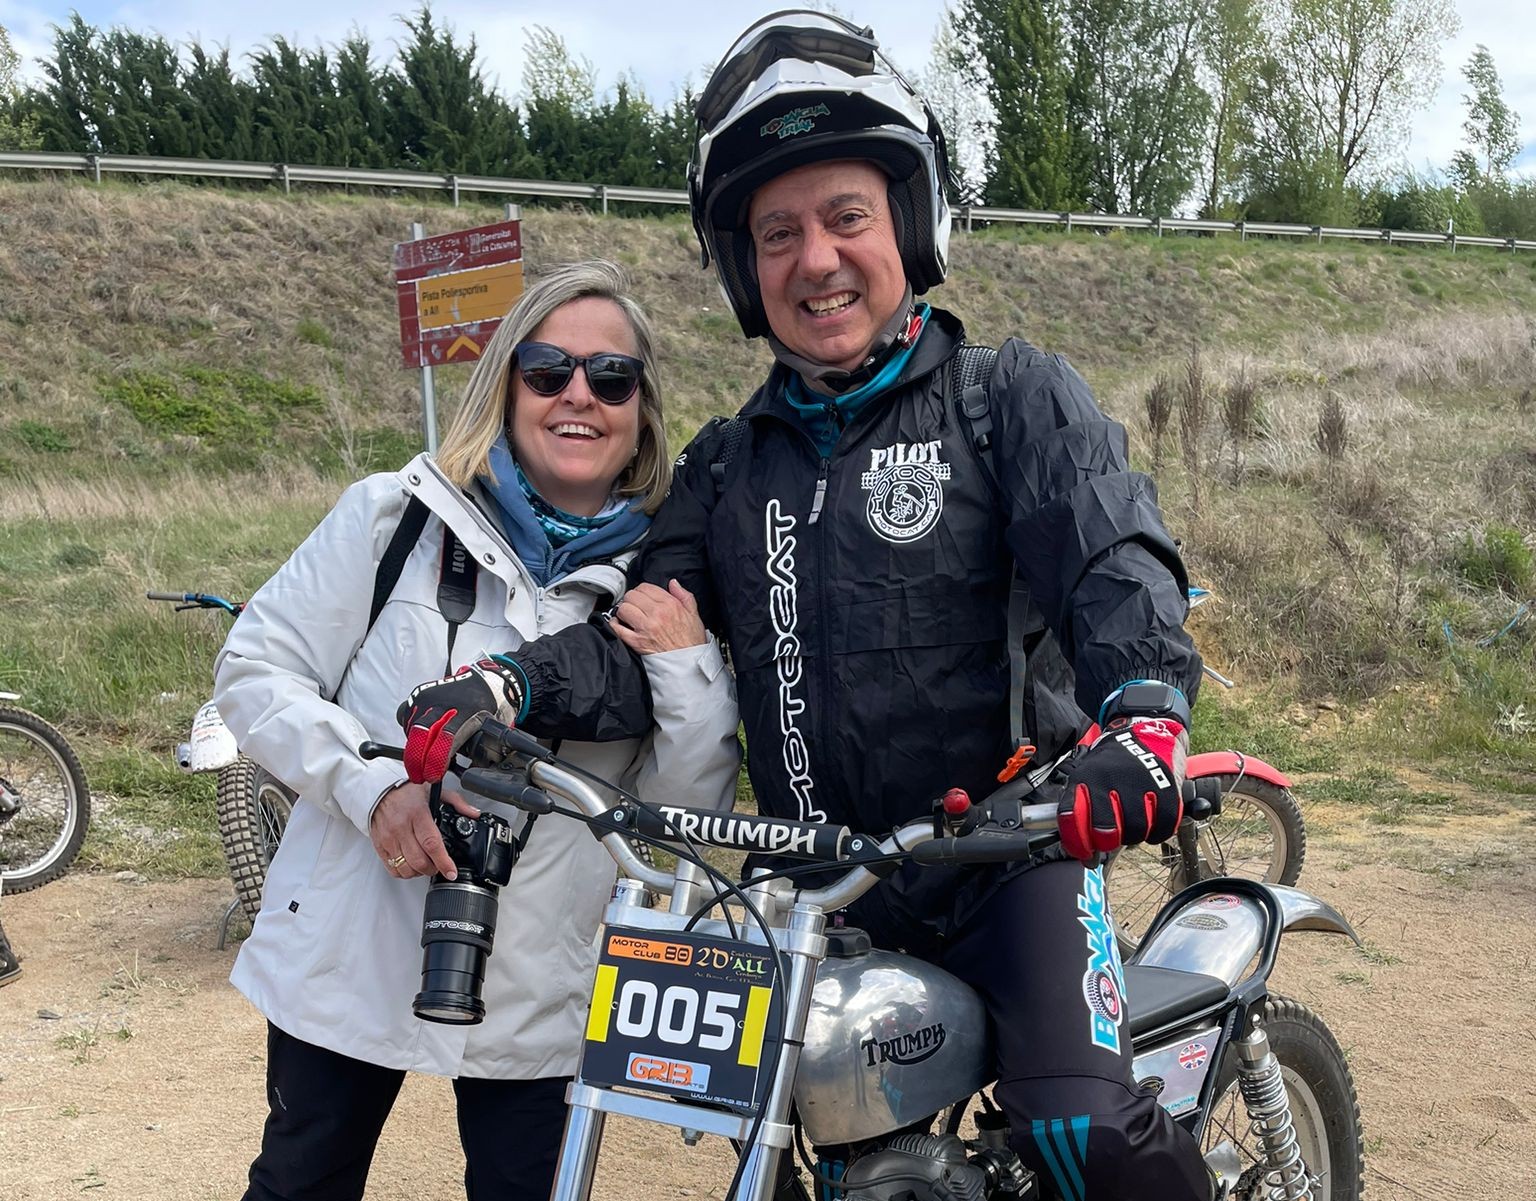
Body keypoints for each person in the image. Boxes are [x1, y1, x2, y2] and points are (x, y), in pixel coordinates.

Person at [398, 13, 1210, 1200]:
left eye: (845, 218)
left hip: (1010, 863)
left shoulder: (1009, 399)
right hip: (806, 890)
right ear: (745, 270)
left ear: (909, 226)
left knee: (1082, 1130)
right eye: (778, 233)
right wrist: (506, 683)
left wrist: (1142, 715)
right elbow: (636, 645)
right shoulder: (727, 465)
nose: (815, 258)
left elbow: (1112, 558)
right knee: (774, 1153)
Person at [212, 260, 741, 1201]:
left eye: (611, 377)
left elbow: (680, 813)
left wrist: (688, 665)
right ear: (505, 384)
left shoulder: (666, 581)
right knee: (300, 1183)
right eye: (548, 370)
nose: (578, 395)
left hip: (540, 987)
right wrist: (373, 789)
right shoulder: (395, 520)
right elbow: (255, 673)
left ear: (643, 411)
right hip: (351, 948)